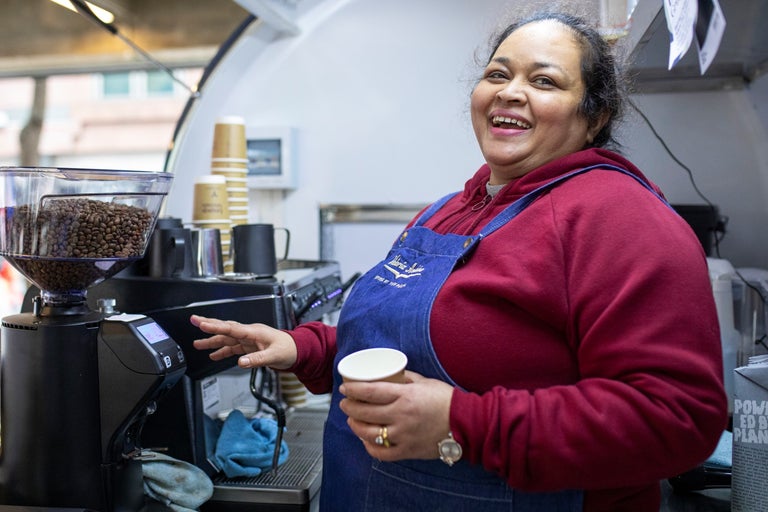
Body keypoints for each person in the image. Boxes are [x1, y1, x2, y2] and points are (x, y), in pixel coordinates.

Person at [191, 10, 728, 511]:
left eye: (544, 81)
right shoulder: (447, 211)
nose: (511, 92)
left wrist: (461, 423)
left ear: (595, 117)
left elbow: (676, 419)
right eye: (498, 74)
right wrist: (302, 348)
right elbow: (408, 353)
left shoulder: (620, 218)